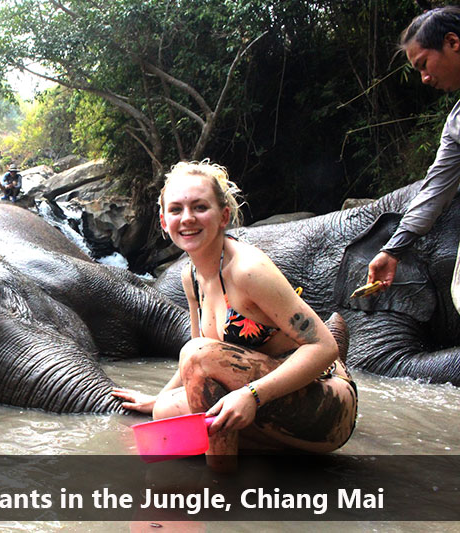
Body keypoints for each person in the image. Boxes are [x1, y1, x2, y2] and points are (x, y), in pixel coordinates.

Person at [112, 161, 357, 471]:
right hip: (275, 402)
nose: (187, 218)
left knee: (197, 356)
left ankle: (221, 480)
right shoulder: (192, 274)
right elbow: (199, 357)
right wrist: (156, 398)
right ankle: (277, 461)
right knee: (165, 411)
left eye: (200, 207)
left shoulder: (248, 270)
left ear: (223, 215)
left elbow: (325, 347)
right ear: (164, 221)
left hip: (327, 406)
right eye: (176, 210)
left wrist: (252, 396)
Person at [367, 6, 460, 312]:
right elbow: (435, 189)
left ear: (452, 43)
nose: (424, 78)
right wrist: (392, 250)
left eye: (423, 64)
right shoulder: (456, 124)